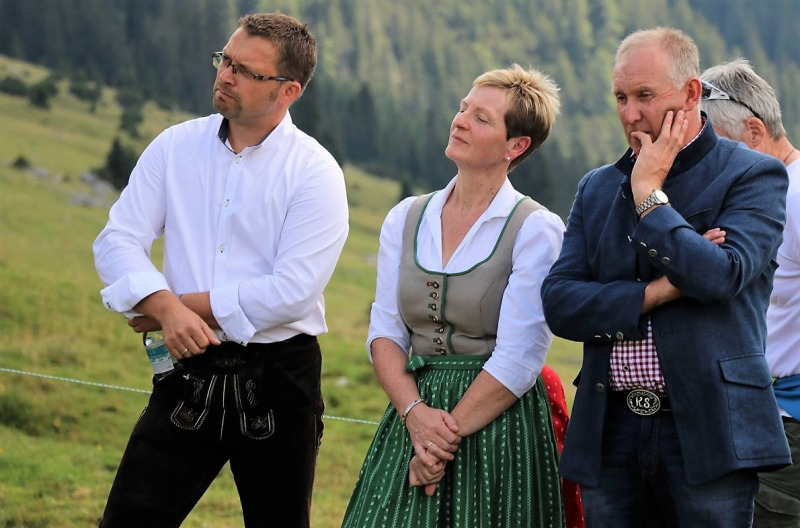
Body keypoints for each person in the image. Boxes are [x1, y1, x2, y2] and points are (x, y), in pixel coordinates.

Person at [92, 12, 348, 528]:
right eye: (224, 60)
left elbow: (293, 291)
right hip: (187, 369)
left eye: (245, 71)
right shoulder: (175, 146)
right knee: (128, 520)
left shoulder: (315, 172)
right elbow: (117, 239)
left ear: (287, 90)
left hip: (280, 376)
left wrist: (184, 309)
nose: (224, 76)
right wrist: (165, 309)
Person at [541, 27, 792, 527]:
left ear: (692, 93)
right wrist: (656, 292)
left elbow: (722, 277)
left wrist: (650, 195)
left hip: (710, 430)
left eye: (645, 96)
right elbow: (561, 302)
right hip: (608, 428)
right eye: (621, 97)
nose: (630, 113)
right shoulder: (596, 186)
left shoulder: (752, 175)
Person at [341, 65, 565, 527]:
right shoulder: (406, 217)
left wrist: (442, 439)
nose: (459, 120)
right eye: (463, 108)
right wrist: (416, 416)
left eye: (481, 118)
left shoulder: (535, 229)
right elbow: (384, 332)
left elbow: (520, 356)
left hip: (497, 425)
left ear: (515, 146)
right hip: (413, 412)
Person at [701, 59, 800, 528]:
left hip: (790, 424)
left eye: (716, 145)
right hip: (764, 417)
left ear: (755, 132)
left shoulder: (794, 197)